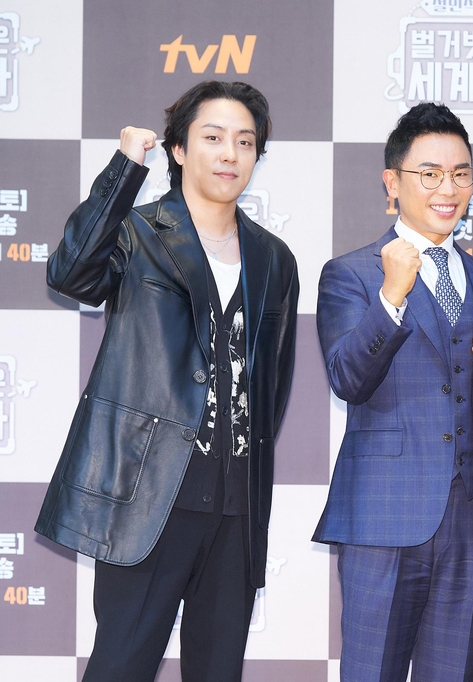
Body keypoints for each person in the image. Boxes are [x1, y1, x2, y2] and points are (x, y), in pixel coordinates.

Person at [35, 81, 299, 682]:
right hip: (149, 496)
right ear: (178, 150)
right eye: (213, 138)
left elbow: (273, 387)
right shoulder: (138, 232)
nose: (230, 154)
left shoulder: (274, 259)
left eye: (245, 142)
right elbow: (71, 274)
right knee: (121, 666)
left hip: (236, 506)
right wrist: (124, 169)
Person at [313, 102, 473, 682]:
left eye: (461, 174)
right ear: (392, 182)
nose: (448, 189)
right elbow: (347, 378)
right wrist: (391, 298)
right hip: (382, 519)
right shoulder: (352, 274)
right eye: (430, 174)